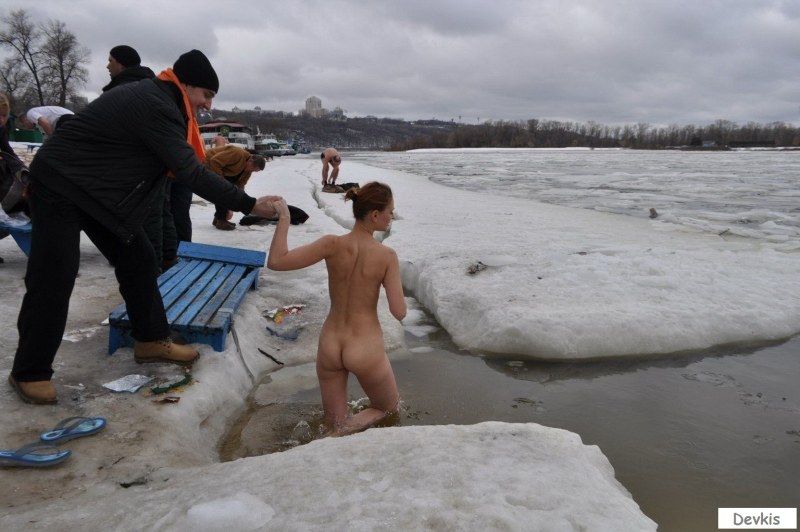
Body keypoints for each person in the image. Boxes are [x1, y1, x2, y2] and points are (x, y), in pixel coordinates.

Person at [8, 49, 283, 405]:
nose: (207, 105)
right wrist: (248, 203)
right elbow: (190, 172)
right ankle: (29, 372)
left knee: (138, 258)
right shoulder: (157, 105)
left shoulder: (162, 101)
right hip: (61, 183)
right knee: (55, 274)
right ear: (185, 85)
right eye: (205, 95)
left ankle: (150, 339)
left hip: (97, 191)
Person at [267, 182, 406, 436]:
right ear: (375, 215)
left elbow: (276, 261)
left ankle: (332, 438)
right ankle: (344, 435)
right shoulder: (386, 256)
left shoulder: (331, 244)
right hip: (364, 346)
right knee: (388, 408)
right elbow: (399, 312)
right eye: (390, 212)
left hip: (331, 343)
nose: (392, 217)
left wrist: (284, 217)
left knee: (334, 424)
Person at [101, 45, 176, 272]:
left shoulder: (126, 90)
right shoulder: (150, 86)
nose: (107, 65)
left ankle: (150, 269)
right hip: (156, 162)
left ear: (122, 63)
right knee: (161, 210)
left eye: (111, 60)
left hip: (135, 166)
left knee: (146, 217)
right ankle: (166, 259)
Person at [204, 144, 266, 230]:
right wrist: (221, 181)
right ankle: (221, 220)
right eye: (253, 169)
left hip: (223, 171)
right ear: (251, 160)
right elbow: (214, 161)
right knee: (223, 190)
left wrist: (234, 204)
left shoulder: (248, 170)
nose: (252, 172)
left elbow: (240, 186)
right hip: (207, 163)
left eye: (255, 171)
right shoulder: (238, 153)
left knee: (229, 190)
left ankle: (219, 219)